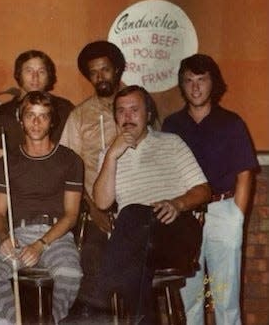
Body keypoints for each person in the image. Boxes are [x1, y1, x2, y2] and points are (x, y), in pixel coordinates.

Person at [90, 85, 211, 324]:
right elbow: (102, 203)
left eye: (134, 110)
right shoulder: (109, 154)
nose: (127, 117)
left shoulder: (171, 143)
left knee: (132, 214)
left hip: (175, 230)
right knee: (136, 253)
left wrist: (177, 203)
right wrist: (113, 155)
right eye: (121, 111)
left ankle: (96, 301)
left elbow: (203, 190)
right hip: (138, 243)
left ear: (148, 114)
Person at [162, 54, 259, 325]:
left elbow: (245, 173)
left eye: (201, 80)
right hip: (185, 216)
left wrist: (236, 216)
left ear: (212, 83)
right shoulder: (172, 125)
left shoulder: (232, 123)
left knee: (224, 297)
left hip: (223, 211)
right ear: (181, 85)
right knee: (189, 297)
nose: (195, 87)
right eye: (188, 81)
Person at [0, 91, 84, 324]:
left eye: (43, 116)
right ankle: (17, 321)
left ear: (52, 121)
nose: (36, 123)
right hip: (18, 235)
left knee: (70, 273)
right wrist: (2, 237)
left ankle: (54, 321)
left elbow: (71, 215)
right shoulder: (6, 162)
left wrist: (41, 244)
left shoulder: (70, 160)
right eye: (30, 115)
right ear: (20, 119)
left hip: (56, 236)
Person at [59, 40, 126, 311]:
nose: (100, 77)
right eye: (94, 72)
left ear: (117, 69)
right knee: (91, 256)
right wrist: (91, 207)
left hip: (135, 205)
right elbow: (68, 168)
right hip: (95, 209)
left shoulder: (139, 106)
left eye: (105, 70)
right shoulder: (79, 115)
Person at [0, 50, 74, 162]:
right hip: (17, 177)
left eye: (41, 71)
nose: (35, 77)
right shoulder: (4, 112)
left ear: (49, 76)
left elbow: (74, 152)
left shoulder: (64, 108)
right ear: (18, 74)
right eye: (29, 71)